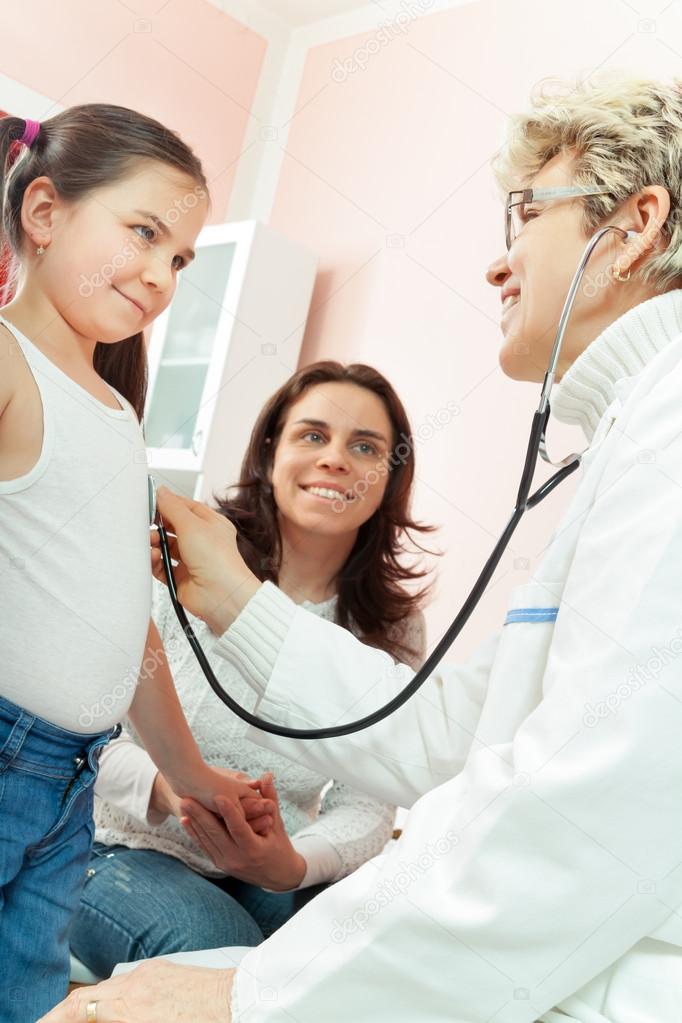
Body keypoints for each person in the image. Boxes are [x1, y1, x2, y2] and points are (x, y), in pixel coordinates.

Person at [42, 72, 682, 1023]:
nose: (498, 265)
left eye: (524, 215)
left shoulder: (664, 430)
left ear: (633, 227)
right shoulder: (633, 439)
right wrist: (201, 741)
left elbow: (575, 810)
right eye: (311, 435)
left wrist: (269, 944)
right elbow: (460, 741)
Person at [0, 106, 272, 1023]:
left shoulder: (119, 418)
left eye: (182, 257)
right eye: (144, 234)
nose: (161, 275)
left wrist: (193, 778)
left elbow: (130, 628)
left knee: (31, 996)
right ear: (45, 213)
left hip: (69, 785)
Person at [69, 361, 430, 977]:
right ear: (270, 452)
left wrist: (291, 863)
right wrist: (171, 787)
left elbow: (373, 800)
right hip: (115, 845)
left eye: (365, 446)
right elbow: (78, 729)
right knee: (219, 947)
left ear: (389, 476)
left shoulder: (390, 625)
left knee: (353, 967)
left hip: (267, 867)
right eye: (312, 435)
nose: (336, 459)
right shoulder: (177, 556)